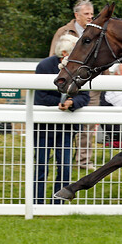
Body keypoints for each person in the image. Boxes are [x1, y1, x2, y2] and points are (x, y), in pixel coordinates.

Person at [34, 34, 90, 204]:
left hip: (65, 127)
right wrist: (59, 104)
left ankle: (58, 203)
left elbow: (84, 96)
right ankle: (37, 201)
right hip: (43, 127)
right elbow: (40, 97)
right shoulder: (44, 66)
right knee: (41, 166)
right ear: (65, 53)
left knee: (65, 167)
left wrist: (72, 103)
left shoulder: (79, 67)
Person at [50, 0, 99, 169]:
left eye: (92, 14)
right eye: (86, 14)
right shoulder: (63, 31)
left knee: (89, 123)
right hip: (69, 83)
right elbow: (53, 56)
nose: (90, 17)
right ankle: (60, 157)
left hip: (90, 84)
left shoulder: (96, 32)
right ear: (76, 15)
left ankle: (84, 160)